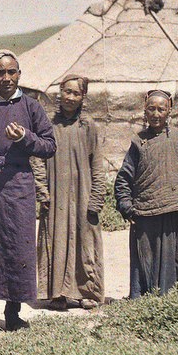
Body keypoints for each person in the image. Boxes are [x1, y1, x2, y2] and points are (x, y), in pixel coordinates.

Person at [0, 50, 56, 334]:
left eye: (11, 72)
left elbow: (49, 146)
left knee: (18, 247)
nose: (6, 78)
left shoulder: (31, 107)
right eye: (0, 73)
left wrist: (26, 138)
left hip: (19, 182)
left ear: (19, 74)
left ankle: (13, 315)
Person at [114, 89, 178, 298]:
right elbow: (123, 179)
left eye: (161, 109)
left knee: (173, 263)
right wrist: (127, 207)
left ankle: (171, 304)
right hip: (144, 213)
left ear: (169, 110)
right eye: (151, 109)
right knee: (144, 263)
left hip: (174, 211)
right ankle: (143, 304)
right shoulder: (138, 141)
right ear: (145, 111)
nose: (156, 114)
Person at [35, 74, 105, 311]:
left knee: (85, 240)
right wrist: (42, 191)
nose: (70, 97)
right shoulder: (47, 124)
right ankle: (57, 294)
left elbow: (97, 165)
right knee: (55, 238)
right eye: (67, 91)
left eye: (76, 93)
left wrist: (96, 198)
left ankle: (87, 292)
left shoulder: (89, 126)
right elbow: (36, 159)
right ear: (59, 93)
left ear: (83, 97)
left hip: (82, 194)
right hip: (55, 195)